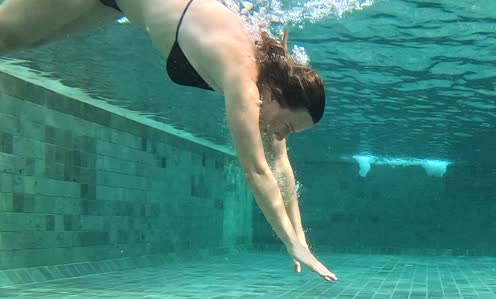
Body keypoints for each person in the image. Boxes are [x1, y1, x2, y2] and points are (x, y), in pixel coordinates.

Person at [0, 0, 338, 282]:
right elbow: (257, 171)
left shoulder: (265, 86)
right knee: (7, 32)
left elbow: (281, 165)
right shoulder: (243, 80)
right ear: (278, 95)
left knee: (21, 38)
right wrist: (288, 243)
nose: (279, 135)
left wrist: (300, 239)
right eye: (287, 128)